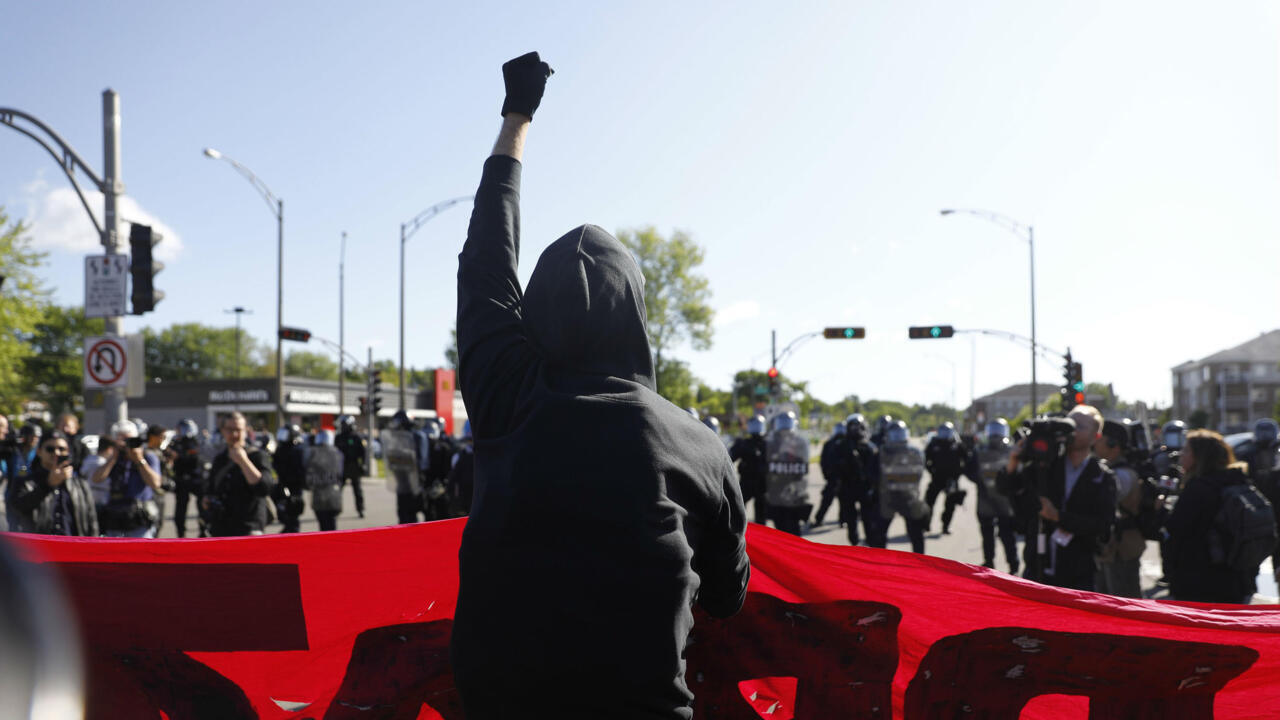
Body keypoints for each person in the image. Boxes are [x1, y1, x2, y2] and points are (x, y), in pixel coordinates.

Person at [451, 52, 749, 718]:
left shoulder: (507, 396)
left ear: (535, 313)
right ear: (638, 317)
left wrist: (517, 117)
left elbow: (486, 256)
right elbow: (729, 597)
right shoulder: (699, 447)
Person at [1000, 405, 1116, 591]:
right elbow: (1010, 491)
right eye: (1070, 423)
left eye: (1081, 426)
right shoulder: (1045, 465)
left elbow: (1103, 526)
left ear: (1096, 436)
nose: (1073, 429)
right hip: (1036, 569)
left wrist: (1059, 517)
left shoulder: (1102, 477)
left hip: (1078, 576)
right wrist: (1013, 464)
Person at [1165, 430, 1258, 603]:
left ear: (1199, 457)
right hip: (1236, 580)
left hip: (1198, 583)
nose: (1181, 455)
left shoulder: (1198, 489)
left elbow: (1176, 530)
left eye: (1186, 450)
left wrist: (1162, 512)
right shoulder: (1237, 481)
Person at [1093, 419, 1145, 598]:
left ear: (1114, 445)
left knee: (1125, 602)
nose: (1095, 442)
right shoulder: (1110, 470)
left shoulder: (1121, 474)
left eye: (1100, 438)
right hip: (1111, 550)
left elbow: (1103, 501)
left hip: (1122, 550)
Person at [11, 432, 99, 536]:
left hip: (73, 548)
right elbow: (18, 509)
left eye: (62, 449)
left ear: (68, 452)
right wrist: (48, 484)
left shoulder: (81, 485)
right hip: (38, 548)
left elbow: (91, 522)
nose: (56, 453)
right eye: (50, 449)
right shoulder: (24, 482)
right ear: (39, 452)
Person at [202, 412, 276, 537]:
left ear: (246, 430)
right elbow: (211, 488)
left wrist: (243, 461)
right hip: (221, 529)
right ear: (222, 431)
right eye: (230, 430)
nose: (234, 434)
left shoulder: (257, 456)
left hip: (249, 529)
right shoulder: (220, 459)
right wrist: (207, 500)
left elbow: (264, 488)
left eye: (238, 430)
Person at [91, 420, 163, 538]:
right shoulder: (114, 458)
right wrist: (113, 458)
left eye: (130, 440)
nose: (126, 444)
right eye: (122, 440)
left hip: (139, 518)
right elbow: (96, 479)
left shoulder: (148, 456)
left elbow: (155, 483)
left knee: (140, 554)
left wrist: (139, 460)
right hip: (115, 517)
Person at [968, 419, 1019, 573]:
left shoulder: (1012, 450)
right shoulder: (980, 450)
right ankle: (992, 562)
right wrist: (981, 481)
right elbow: (970, 471)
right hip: (988, 499)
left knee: (1006, 535)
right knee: (990, 533)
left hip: (1003, 500)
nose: (996, 435)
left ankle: (1012, 564)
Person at [875, 420, 927, 553]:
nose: (898, 438)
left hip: (909, 498)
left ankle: (919, 565)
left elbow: (919, 473)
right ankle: (878, 565)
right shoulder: (881, 452)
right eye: (895, 434)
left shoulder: (915, 452)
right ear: (888, 436)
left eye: (901, 434)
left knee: (916, 535)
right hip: (888, 499)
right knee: (879, 535)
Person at [839, 413, 882, 546]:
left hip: (865, 489)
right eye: (852, 426)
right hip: (847, 488)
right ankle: (854, 544)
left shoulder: (870, 447)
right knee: (851, 521)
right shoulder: (841, 445)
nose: (855, 429)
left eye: (858, 426)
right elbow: (831, 467)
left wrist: (874, 486)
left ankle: (869, 543)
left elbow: (877, 470)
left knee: (868, 520)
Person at [766, 411, 811, 535]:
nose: (785, 426)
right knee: (780, 529)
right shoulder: (771, 442)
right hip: (776, 491)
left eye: (787, 422)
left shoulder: (801, 442)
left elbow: (804, 467)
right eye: (782, 423)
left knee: (795, 529)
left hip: (795, 491)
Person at [924, 422, 967, 535]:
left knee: (950, 505)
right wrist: (931, 471)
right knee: (928, 502)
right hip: (936, 478)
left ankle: (945, 526)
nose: (945, 434)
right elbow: (925, 459)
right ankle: (926, 524)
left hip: (952, 480)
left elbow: (966, 459)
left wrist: (958, 474)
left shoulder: (957, 444)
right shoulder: (933, 444)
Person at [729, 414, 769, 525]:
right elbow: (729, 458)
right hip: (747, 481)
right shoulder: (743, 443)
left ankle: (760, 537)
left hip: (762, 483)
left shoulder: (768, 444)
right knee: (738, 512)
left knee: (761, 515)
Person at [168, 419, 205, 538]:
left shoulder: (194, 442)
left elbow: (195, 459)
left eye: (180, 429)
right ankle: (181, 533)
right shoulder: (175, 443)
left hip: (195, 479)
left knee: (203, 506)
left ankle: (203, 530)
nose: (178, 431)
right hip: (181, 480)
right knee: (180, 509)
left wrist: (179, 456)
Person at [307, 429, 344, 531]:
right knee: (331, 524)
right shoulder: (337, 453)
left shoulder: (313, 452)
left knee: (323, 525)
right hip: (333, 493)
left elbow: (308, 472)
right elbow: (340, 474)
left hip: (319, 494)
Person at [272, 425, 306, 533]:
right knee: (281, 511)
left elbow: (302, 468)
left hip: (295, 486)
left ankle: (292, 533)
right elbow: (274, 464)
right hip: (282, 483)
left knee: (293, 512)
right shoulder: (280, 449)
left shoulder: (298, 449)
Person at [813, 421, 846, 526]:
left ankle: (843, 520)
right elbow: (823, 461)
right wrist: (826, 474)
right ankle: (819, 519)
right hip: (832, 478)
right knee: (826, 501)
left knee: (844, 502)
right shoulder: (829, 444)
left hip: (844, 479)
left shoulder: (848, 444)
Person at [334, 415, 367, 518]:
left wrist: (363, 464)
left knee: (357, 490)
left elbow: (363, 453)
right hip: (342, 466)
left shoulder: (356, 437)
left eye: (344, 424)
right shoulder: (338, 437)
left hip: (354, 466)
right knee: (337, 490)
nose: (343, 426)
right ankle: (336, 509)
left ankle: (360, 509)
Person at [144, 424, 171, 537]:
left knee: (159, 523)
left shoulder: (159, 452)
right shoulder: (146, 453)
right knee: (152, 524)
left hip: (160, 493)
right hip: (151, 494)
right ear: (152, 437)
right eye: (161, 437)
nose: (162, 440)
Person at [448, 420, 475, 517]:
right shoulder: (459, 456)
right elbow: (453, 481)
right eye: (470, 440)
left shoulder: (459, 456)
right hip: (465, 500)